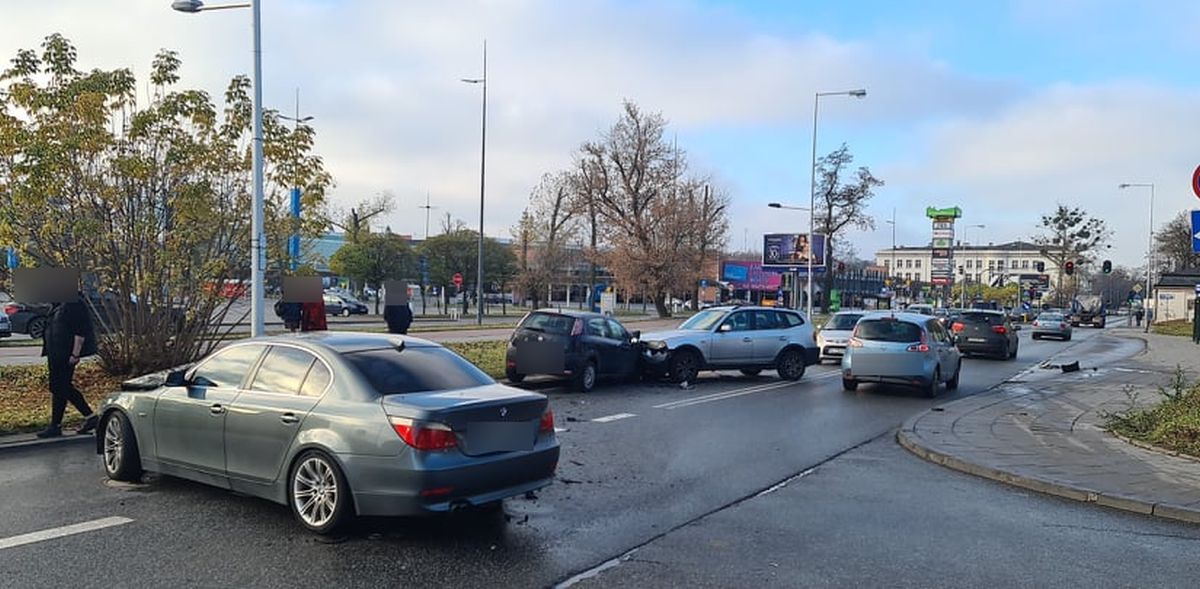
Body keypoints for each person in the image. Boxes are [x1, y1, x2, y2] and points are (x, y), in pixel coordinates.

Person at [38, 292, 98, 438]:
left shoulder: (74, 303)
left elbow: (80, 331)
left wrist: (75, 354)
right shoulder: (58, 304)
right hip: (55, 352)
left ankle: (56, 425)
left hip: (66, 354)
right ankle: (90, 418)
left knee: (60, 387)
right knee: (60, 387)